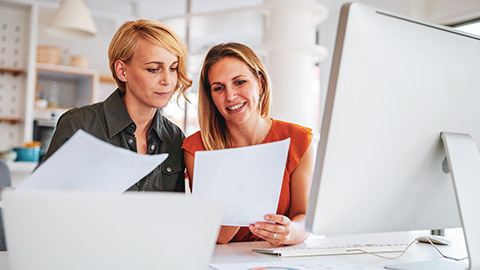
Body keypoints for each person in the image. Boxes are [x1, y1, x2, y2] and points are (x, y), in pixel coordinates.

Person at [182, 42, 315, 246]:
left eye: (240, 82)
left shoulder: (297, 140)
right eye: (219, 88)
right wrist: (245, 192)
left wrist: (289, 232)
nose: (230, 96)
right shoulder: (197, 149)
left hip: (279, 259)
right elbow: (217, 235)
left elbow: (303, 218)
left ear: (260, 83)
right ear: (211, 97)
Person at [44, 19, 192, 192]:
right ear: (122, 71)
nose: (167, 81)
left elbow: (173, 212)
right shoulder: (79, 125)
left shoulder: (174, 137)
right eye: (153, 69)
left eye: (173, 68)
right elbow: (47, 204)